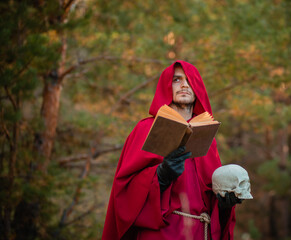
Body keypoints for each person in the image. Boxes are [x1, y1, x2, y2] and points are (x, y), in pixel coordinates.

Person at [102, 60, 242, 240]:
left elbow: (212, 196)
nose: (184, 85)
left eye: (189, 80)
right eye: (177, 80)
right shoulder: (145, 129)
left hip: (200, 233)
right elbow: (124, 191)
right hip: (160, 233)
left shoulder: (207, 137)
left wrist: (224, 205)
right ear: (166, 86)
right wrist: (160, 176)